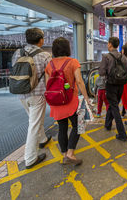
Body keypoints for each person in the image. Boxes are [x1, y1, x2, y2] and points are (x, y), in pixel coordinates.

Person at [45, 37, 90, 165]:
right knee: (78, 126)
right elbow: (80, 81)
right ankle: (70, 154)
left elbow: (48, 84)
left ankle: (64, 155)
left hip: (56, 101)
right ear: (67, 48)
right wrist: (86, 97)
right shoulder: (72, 62)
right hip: (71, 101)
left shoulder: (50, 65)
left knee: (62, 128)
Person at [12, 28, 52, 169]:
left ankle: (42, 139)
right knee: (34, 124)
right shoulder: (45, 55)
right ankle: (30, 158)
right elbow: (50, 75)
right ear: (41, 39)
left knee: (34, 119)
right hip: (37, 93)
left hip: (21, 92)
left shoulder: (18, 53)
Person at [99, 37, 127, 141]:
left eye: (108, 43)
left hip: (110, 84)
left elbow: (101, 72)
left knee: (114, 107)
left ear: (110, 44)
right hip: (121, 85)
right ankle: (107, 124)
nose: (107, 45)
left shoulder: (106, 56)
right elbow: (126, 71)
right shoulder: (124, 57)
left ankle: (122, 134)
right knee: (113, 104)